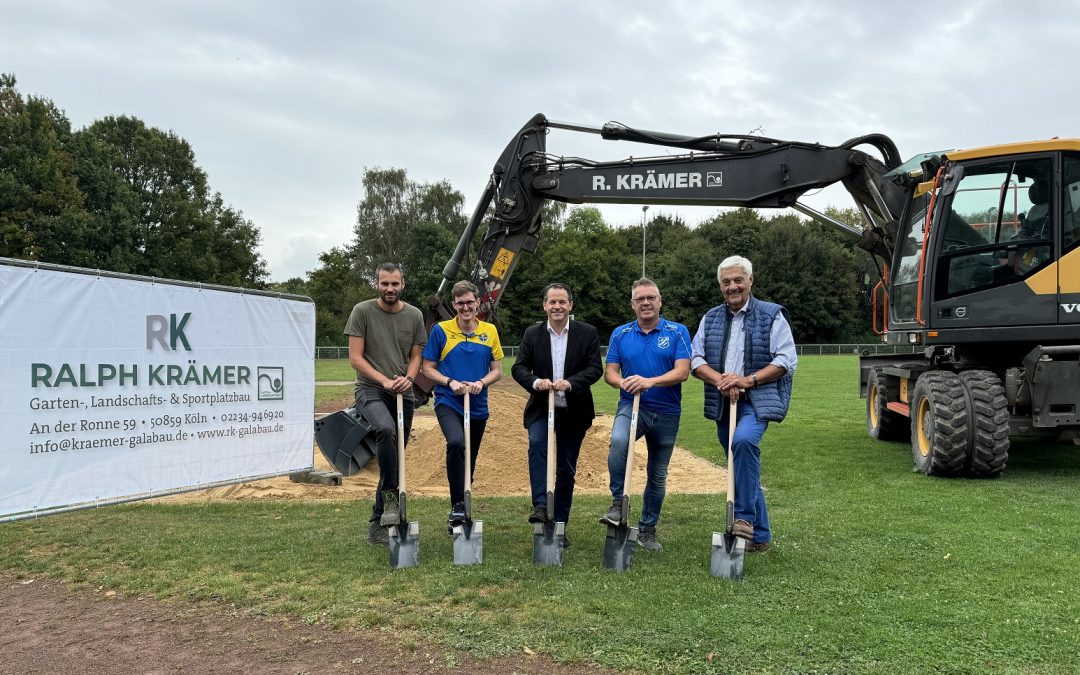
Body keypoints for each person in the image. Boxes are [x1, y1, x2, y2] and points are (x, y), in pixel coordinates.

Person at [689, 255, 796, 554]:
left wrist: (746, 381)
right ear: (720, 286)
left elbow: (786, 360)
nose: (732, 286)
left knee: (745, 442)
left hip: (757, 399)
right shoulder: (710, 318)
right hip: (724, 401)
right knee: (740, 464)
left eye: (738, 280)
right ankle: (760, 536)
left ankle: (744, 520)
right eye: (726, 282)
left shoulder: (771, 315)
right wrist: (722, 381)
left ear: (750, 281)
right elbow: (696, 360)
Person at [598, 278, 691, 552]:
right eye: (640, 299)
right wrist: (622, 382)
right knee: (618, 442)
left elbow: (682, 371)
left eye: (651, 298)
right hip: (631, 406)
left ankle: (648, 529)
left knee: (657, 474)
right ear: (633, 304)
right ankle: (618, 504)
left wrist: (650, 381)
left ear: (660, 301)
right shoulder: (620, 334)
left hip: (667, 412)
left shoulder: (677, 332)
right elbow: (610, 372)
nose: (646, 303)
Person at [511, 283, 603, 546]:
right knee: (538, 445)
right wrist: (536, 382)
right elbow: (519, 368)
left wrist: (570, 382)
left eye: (562, 302)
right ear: (545, 306)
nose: (557, 306)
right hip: (541, 407)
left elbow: (595, 368)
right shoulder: (532, 334)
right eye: (552, 302)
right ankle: (541, 506)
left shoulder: (587, 333)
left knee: (565, 468)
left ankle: (560, 524)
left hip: (574, 410)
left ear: (570, 305)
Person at [344, 262, 427, 547]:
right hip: (370, 390)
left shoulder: (414, 315)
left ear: (403, 285)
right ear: (377, 284)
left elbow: (416, 356)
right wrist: (384, 381)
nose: (389, 289)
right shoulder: (362, 311)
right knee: (385, 429)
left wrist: (409, 378)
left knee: (394, 458)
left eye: (394, 284)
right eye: (384, 284)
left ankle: (377, 524)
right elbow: (355, 358)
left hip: (403, 393)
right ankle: (391, 502)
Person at [420, 280, 503, 533]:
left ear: (477, 302)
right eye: (460, 303)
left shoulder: (489, 331)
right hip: (448, 401)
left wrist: (480, 382)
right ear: (454, 305)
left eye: (469, 302)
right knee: (456, 442)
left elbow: (497, 371)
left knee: (470, 459)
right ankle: (456, 504)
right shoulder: (440, 330)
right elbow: (427, 368)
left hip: (477, 404)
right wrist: (450, 382)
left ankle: (463, 504)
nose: (465, 307)